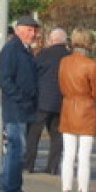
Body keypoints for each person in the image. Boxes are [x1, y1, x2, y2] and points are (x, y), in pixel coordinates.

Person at [57, 28, 96, 192]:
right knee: (84, 156)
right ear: (89, 43)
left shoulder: (64, 62)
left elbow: (61, 85)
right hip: (86, 109)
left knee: (68, 155)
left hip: (68, 106)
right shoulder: (93, 65)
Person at [0, 15, 41, 192]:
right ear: (18, 30)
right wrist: (22, 98)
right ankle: (12, 189)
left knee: (15, 148)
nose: (34, 34)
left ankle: (7, 186)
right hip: (15, 108)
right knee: (18, 148)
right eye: (29, 30)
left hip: (23, 107)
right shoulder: (12, 50)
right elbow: (4, 80)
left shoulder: (24, 50)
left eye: (35, 30)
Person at [25, 27, 69, 175]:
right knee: (57, 136)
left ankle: (29, 165)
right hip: (61, 102)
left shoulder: (43, 55)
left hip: (42, 101)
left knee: (33, 134)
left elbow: (33, 74)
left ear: (52, 40)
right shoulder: (69, 56)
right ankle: (52, 167)